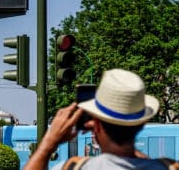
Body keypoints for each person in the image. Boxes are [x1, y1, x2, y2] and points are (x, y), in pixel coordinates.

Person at [24, 68, 177, 170]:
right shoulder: (169, 167)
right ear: (142, 123)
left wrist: (48, 144)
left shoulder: (75, 167)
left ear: (95, 125)